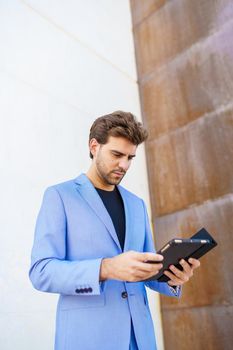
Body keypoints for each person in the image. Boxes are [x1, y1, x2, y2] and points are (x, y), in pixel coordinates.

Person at [29, 111, 200, 350]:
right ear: (94, 146)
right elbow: (41, 272)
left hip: (140, 339)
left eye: (130, 157)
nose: (124, 165)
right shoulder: (60, 196)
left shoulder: (136, 204)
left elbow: (147, 267)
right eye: (117, 154)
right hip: (89, 338)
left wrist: (172, 277)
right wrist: (106, 267)